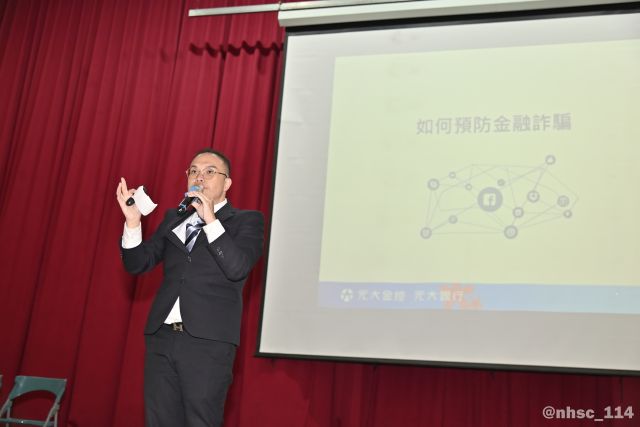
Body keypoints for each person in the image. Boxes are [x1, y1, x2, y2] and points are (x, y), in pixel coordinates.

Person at [116, 148, 264, 427]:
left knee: (201, 421)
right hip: (162, 336)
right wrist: (133, 222)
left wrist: (210, 219)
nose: (200, 177)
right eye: (193, 171)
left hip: (208, 342)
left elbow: (237, 268)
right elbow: (138, 264)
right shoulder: (174, 218)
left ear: (227, 183)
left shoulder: (247, 221)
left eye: (210, 172)